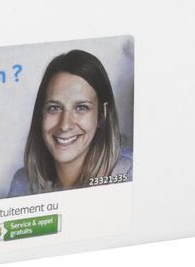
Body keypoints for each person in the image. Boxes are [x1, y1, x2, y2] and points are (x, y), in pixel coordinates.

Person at [8, 49, 132, 196]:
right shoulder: (23, 182)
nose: (65, 125)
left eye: (81, 107)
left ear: (102, 115)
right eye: (54, 108)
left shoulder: (129, 173)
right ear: (41, 114)